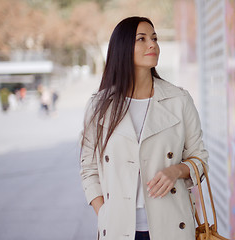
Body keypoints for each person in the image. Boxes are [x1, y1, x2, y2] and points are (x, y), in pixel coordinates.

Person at [79, 16, 209, 240]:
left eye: (154, 38)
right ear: (122, 48)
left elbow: (200, 159)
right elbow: (89, 169)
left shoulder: (179, 100)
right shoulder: (99, 105)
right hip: (118, 229)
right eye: (142, 39)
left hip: (172, 226)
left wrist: (175, 170)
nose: (153, 44)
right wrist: (104, 213)